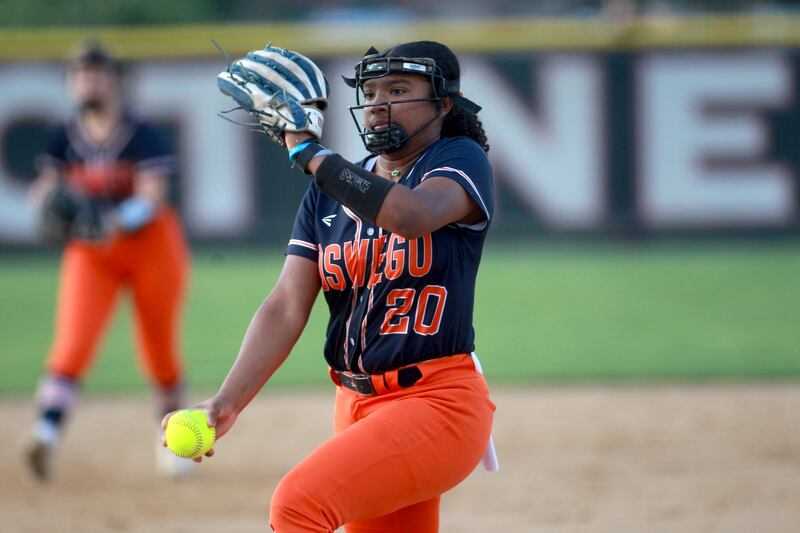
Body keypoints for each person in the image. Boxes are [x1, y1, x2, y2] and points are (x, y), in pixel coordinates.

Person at [174, 40, 497, 532]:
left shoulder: (458, 159)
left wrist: (308, 152)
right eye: (369, 91)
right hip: (356, 407)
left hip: (435, 402)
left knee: (298, 506)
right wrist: (227, 401)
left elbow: (411, 216)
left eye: (398, 89)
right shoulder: (327, 190)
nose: (377, 104)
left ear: (443, 103)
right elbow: (285, 305)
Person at [24, 42, 194, 480]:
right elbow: (46, 189)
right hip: (92, 253)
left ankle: (174, 441)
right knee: (73, 343)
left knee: (158, 350)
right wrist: (43, 203)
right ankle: (45, 433)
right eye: (80, 74)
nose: (87, 81)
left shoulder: (140, 132)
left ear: (115, 80)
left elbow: (153, 196)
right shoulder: (64, 134)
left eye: (95, 73)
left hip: (151, 247)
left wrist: (111, 220)